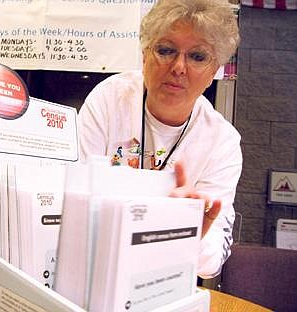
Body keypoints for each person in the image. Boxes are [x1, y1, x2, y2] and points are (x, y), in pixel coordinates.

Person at [77, 0, 241, 278]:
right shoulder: (110, 99)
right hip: (95, 268)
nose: (178, 67)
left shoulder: (222, 142)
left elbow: (211, 264)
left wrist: (189, 229)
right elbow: (76, 203)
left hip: (165, 280)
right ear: (144, 55)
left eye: (198, 57)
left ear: (214, 71)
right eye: (166, 50)